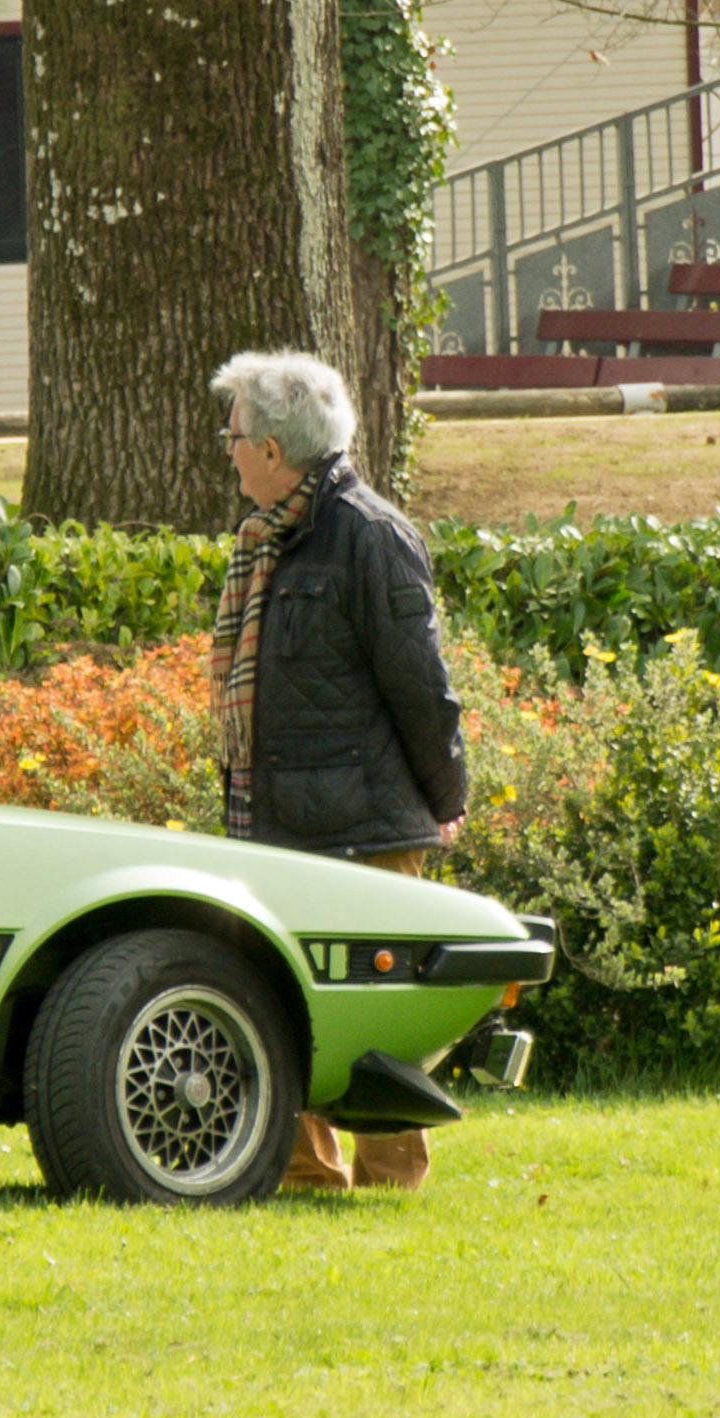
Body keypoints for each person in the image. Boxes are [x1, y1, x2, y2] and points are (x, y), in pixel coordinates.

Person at [207, 349, 467, 1193]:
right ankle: (303, 1176)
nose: (229, 447)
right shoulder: (263, 541)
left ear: (275, 452)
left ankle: (393, 1181)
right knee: (282, 1005)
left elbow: (423, 689)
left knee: (378, 1019)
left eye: (235, 434)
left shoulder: (372, 537)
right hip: (277, 824)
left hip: (365, 827)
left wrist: (445, 798)